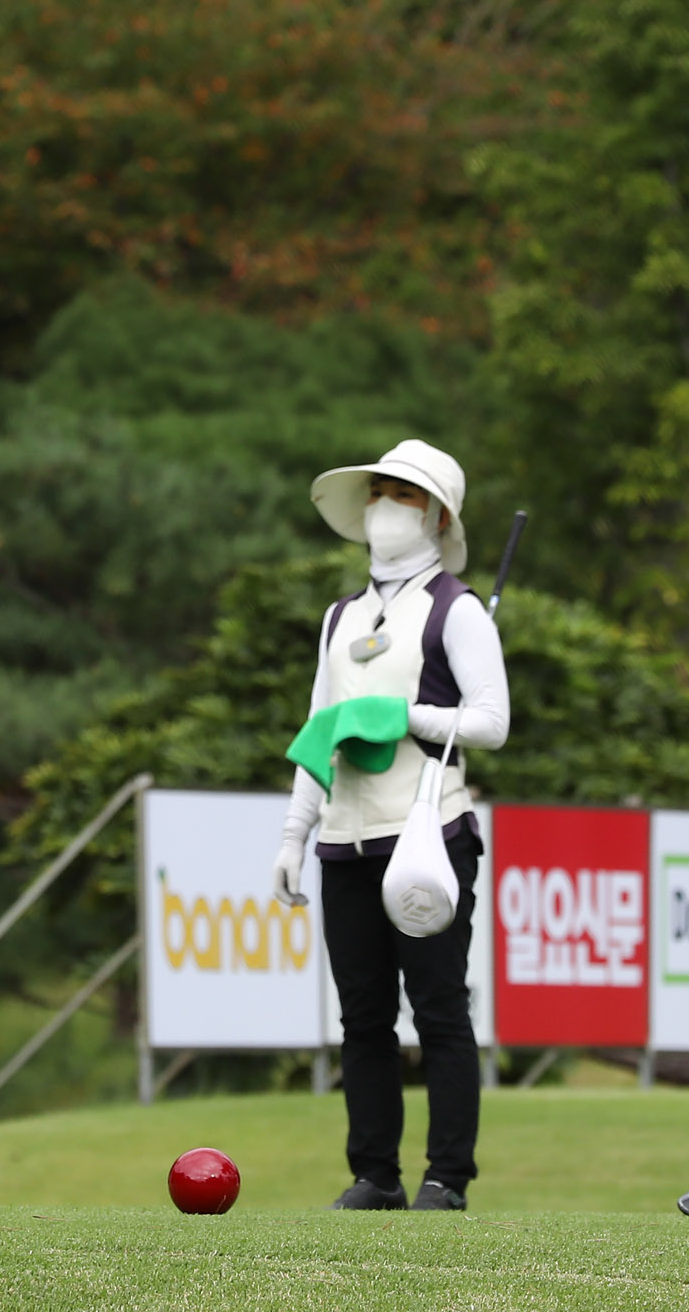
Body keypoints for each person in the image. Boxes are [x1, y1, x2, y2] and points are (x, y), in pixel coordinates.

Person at [270, 439, 510, 1211]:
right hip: (344, 840)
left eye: (401, 496)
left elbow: (492, 721)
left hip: (429, 833)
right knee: (363, 1015)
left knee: (439, 1007)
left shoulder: (458, 608)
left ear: (436, 516)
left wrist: (406, 714)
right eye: (377, 493)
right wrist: (293, 834)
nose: (384, 508)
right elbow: (318, 731)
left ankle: (448, 1176)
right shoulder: (340, 617)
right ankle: (375, 1173)